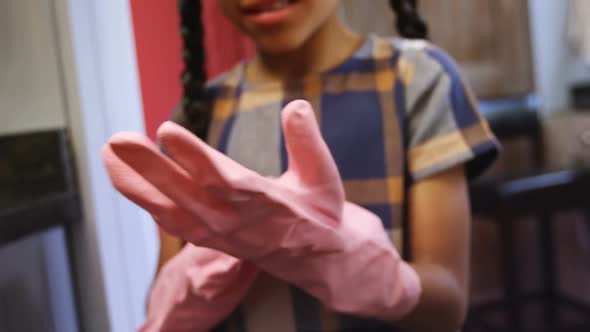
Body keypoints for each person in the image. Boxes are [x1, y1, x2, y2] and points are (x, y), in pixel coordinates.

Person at [102, 0, 500, 331]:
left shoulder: (415, 81)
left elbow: (447, 308)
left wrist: (387, 281)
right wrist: (190, 285)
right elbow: (163, 303)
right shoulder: (197, 120)